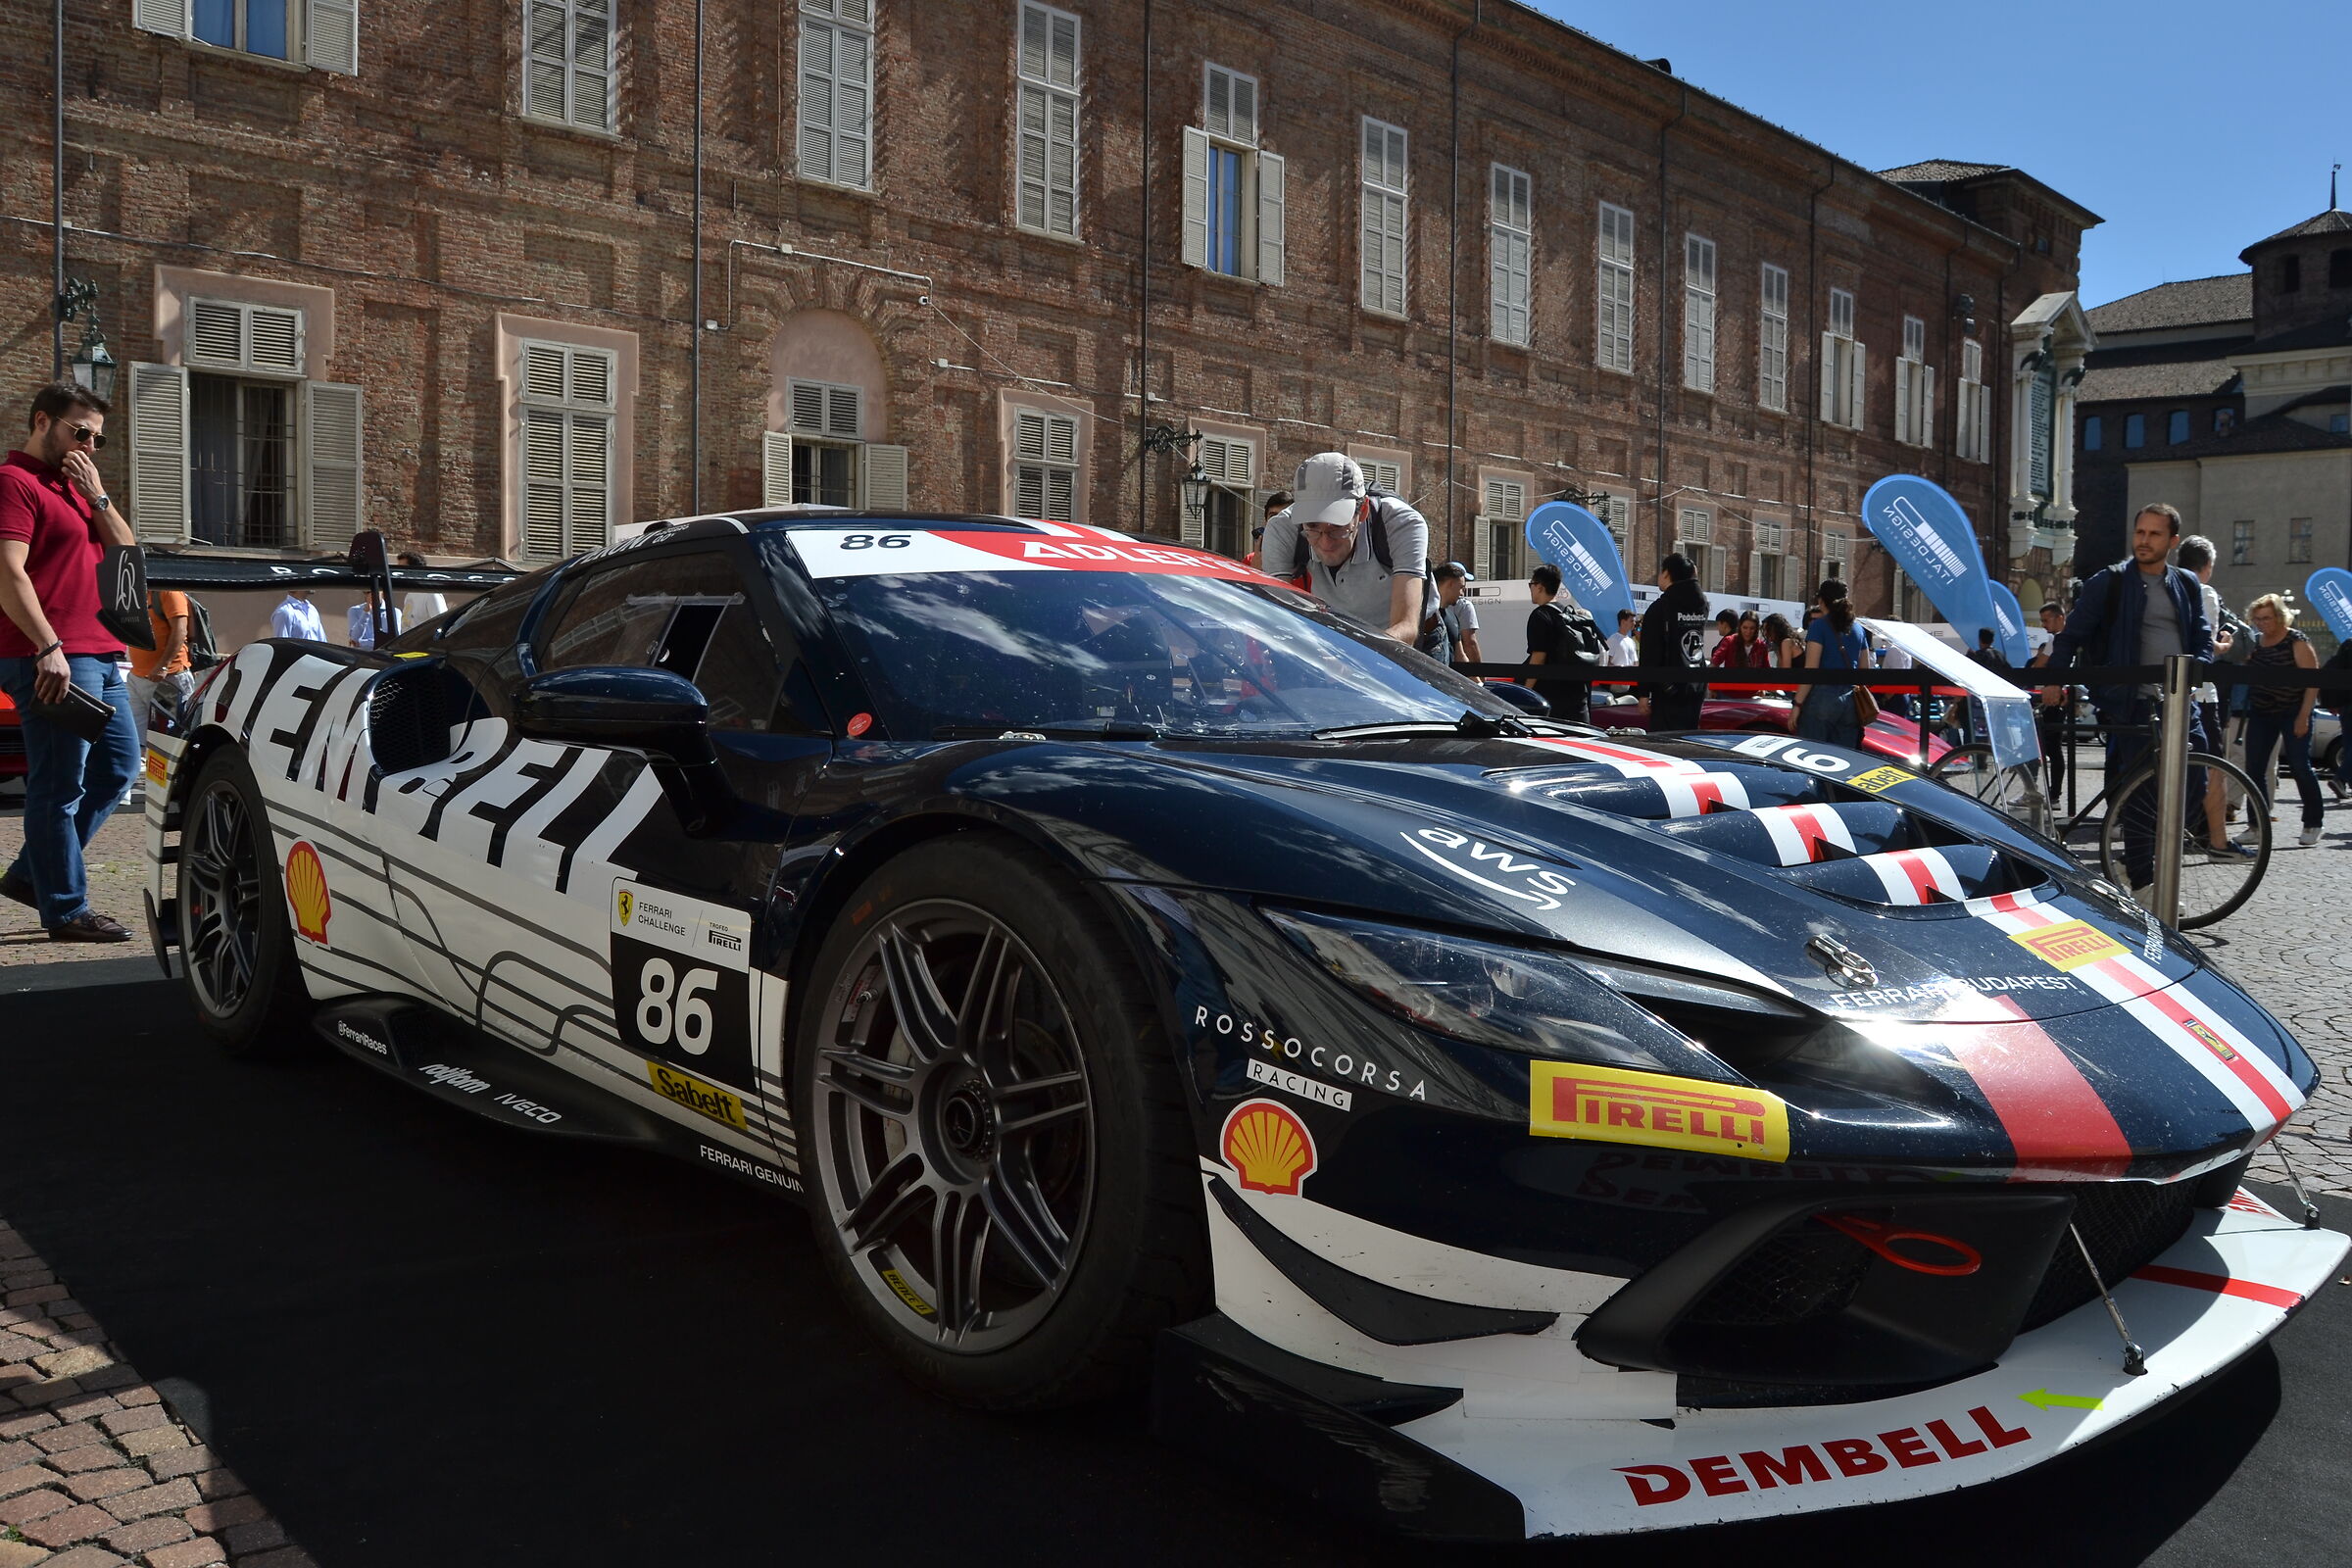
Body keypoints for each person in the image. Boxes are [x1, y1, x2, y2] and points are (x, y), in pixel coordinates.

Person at [0, 380, 142, 942]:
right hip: (54, 656)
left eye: (97, 439)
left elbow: (126, 559)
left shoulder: (80, 488)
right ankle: (64, 908)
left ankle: (33, 875)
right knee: (60, 784)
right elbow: (8, 573)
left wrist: (99, 495)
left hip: (102, 652)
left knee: (119, 769)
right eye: (78, 432)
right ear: (42, 422)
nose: (87, 445)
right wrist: (47, 646)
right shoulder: (14, 482)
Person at [2043, 503, 2215, 899]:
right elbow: (2072, 635)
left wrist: (2196, 670)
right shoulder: (2111, 581)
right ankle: (2144, 882)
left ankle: (2142, 865)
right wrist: (2054, 679)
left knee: (2194, 783)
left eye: (2155, 534)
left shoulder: (2186, 583)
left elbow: (2202, 636)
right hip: (2132, 702)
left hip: (2178, 701)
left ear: (2172, 541)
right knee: (2142, 796)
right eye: (2140, 532)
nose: (2144, 540)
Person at [1257, 454, 1431, 647]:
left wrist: (1349, 659)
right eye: (1313, 526)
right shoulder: (1282, 528)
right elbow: (1279, 617)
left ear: (1362, 510)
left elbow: (1406, 627)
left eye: (1337, 527)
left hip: (1407, 640)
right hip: (1339, 637)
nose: (1325, 543)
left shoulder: (1402, 524)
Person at [2239, 593, 2325, 849]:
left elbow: (2313, 681)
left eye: (2266, 618)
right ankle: (2257, 826)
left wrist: (2303, 716)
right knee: (2254, 769)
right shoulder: (2257, 643)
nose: (2261, 623)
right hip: (2262, 712)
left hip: (2292, 711)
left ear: (2279, 617)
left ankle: (2313, 822)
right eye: (2257, 619)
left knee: (2300, 766)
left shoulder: (2295, 640)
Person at [2175, 535, 2242, 854]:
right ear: (2208, 566)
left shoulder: (2166, 588)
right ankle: (2217, 839)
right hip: (2200, 693)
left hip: (2167, 689)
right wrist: (2225, 643)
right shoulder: (2204, 592)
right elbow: (2206, 648)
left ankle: (2180, 833)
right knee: (2213, 766)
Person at [1795, 577, 1874, 747]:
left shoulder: (1818, 627)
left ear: (1821, 600)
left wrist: (1797, 704)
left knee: (1811, 754)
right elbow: (1864, 669)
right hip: (1850, 701)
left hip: (1822, 698)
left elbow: (1811, 671)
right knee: (1844, 759)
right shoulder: (1858, 629)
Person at [1523, 564, 1603, 722]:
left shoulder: (1540, 615)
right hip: (1576, 693)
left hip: (1551, 696)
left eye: (1531, 584)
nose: (1530, 588)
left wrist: (1527, 691)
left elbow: (1538, 657)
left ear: (1539, 586)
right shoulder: (1568, 613)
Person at [1640, 553, 1711, 730]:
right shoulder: (1702, 604)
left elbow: (1650, 653)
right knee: (1688, 740)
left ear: (1667, 574)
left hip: (1668, 689)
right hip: (1696, 685)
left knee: (1664, 744)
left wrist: (1643, 693)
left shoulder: (1660, 608)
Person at [125, 586, 193, 730]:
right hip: (137, 677)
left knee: (168, 735)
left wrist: (163, 665)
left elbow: (180, 630)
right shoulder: (135, 592)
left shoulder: (168, 591)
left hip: (168, 678)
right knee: (137, 736)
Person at [2029, 602, 2071, 806]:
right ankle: (2050, 794)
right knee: (2050, 749)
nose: (2044, 625)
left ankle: (2047, 794)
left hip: (2054, 699)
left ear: (2059, 618)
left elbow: (2039, 665)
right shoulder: (2055, 639)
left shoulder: (2061, 638)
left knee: (2049, 748)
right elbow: (2039, 665)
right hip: (2053, 697)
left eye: (2046, 620)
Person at [1431, 561, 1483, 665]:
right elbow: (1470, 643)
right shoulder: (1426, 615)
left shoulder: (1452, 617)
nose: (1462, 593)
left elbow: (1461, 658)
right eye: (1461, 588)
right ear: (1450, 584)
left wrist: (1477, 681)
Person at [397, 551, 449, 628]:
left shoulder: (431, 594)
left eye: (402, 569)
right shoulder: (409, 595)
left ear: (414, 570)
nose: (398, 573)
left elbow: (442, 624)